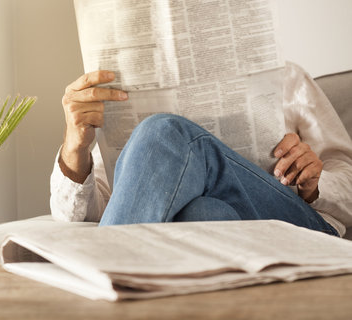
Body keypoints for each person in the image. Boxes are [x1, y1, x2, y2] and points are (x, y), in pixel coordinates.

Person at [50, 62, 352, 237]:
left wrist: (314, 184)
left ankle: (98, 287)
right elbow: (100, 211)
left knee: (164, 132)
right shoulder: (124, 88)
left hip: (295, 226)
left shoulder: (286, 78)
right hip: (228, 232)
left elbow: (347, 177)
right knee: (204, 213)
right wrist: (75, 148)